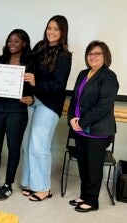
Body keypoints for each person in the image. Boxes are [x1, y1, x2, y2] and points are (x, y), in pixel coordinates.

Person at [21, 15, 72, 201]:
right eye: (49, 27)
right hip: (34, 101)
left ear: (63, 32)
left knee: (39, 146)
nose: (51, 32)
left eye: (56, 29)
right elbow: (28, 73)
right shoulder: (39, 48)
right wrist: (28, 94)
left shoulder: (65, 56)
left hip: (50, 105)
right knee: (27, 144)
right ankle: (29, 182)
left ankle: (43, 188)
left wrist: (36, 82)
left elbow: (58, 86)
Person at [67, 40, 119, 212]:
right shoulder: (83, 73)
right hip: (80, 129)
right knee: (83, 165)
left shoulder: (109, 77)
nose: (93, 57)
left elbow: (103, 106)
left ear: (105, 56)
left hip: (97, 131)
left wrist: (81, 122)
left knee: (93, 166)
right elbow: (75, 99)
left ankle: (92, 201)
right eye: (90, 53)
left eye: (97, 53)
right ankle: (84, 196)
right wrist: (72, 118)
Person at [0, 29, 33, 200]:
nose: (12, 45)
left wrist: (32, 99)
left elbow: (35, 88)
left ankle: (8, 184)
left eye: (16, 41)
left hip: (17, 111)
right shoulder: (0, 60)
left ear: (24, 44)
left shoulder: (30, 63)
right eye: (9, 41)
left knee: (13, 148)